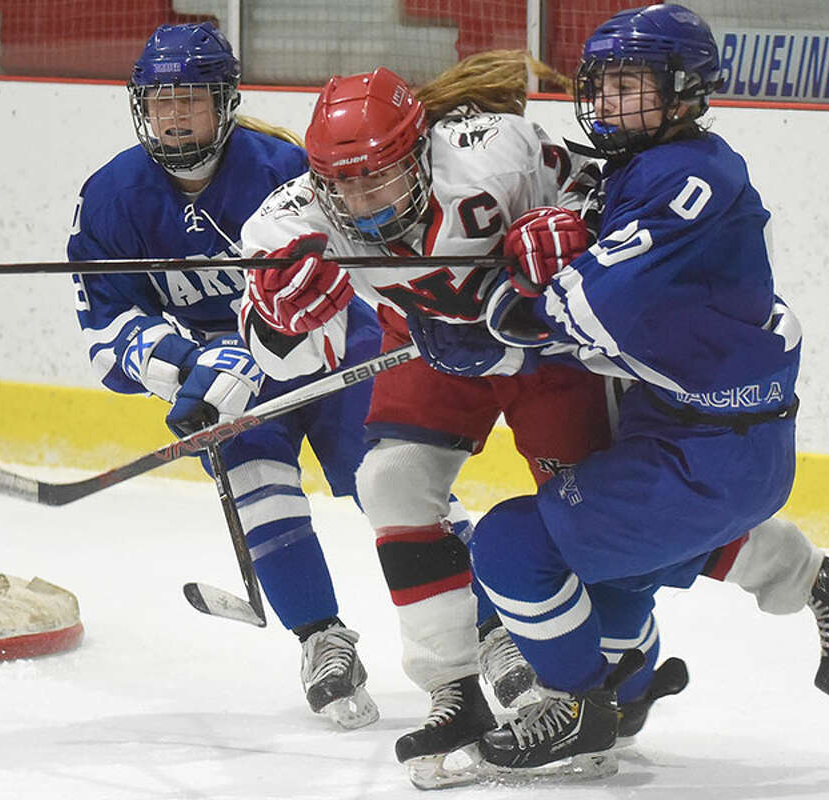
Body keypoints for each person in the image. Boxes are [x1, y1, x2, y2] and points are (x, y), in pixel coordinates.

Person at [406, 4, 829, 777]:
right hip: (695, 435)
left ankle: (577, 710)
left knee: (513, 546)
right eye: (602, 85)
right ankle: (807, 598)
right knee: (609, 605)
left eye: (630, 86)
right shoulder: (650, 167)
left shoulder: (691, 178)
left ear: (684, 91)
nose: (609, 102)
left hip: (706, 455)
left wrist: (486, 321)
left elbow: (586, 307)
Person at [236, 53, 613, 787]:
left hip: (544, 351)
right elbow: (274, 355)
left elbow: (605, 192)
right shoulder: (290, 220)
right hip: (434, 348)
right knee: (392, 482)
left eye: (374, 174)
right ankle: (452, 690)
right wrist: (282, 317)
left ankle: (584, 696)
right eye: (338, 182)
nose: (358, 198)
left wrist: (572, 229)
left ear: (419, 152)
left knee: (596, 517)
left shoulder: (494, 151)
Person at [66, 22, 384, 730]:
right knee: (260, 491)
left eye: (191, 99)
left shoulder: (286, 171)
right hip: (228, 387)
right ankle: (323, 640)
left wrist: (257, 349)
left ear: (226, 101)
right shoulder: (112, 197)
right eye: (160, 100)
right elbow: (108, 331)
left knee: (393, 484)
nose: (174, 115)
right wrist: (188, 366)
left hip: (333, 359)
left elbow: (356, 279)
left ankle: (492, 627)